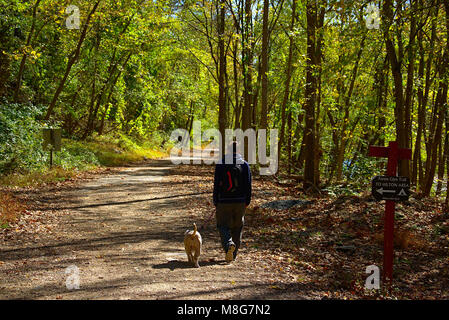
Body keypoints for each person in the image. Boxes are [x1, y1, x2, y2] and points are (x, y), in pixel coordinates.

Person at [213, 141, 252, 262]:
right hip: (240, 201)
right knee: (237, 227)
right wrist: (247, 200)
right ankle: (233, 254)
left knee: (222, 225)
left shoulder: (221, 164)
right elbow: (248, 185)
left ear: (228, 151)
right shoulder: (244, 165)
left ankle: (229, 245)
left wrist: (216, 200)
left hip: (224, 201)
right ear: (239, 150)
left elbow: (216, 185)